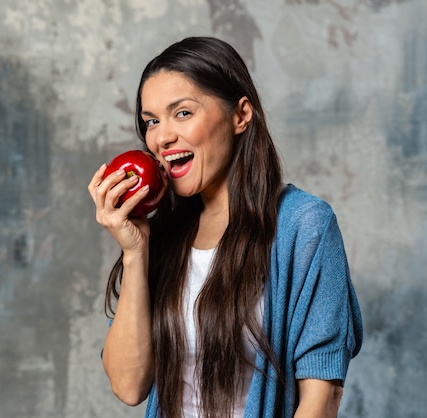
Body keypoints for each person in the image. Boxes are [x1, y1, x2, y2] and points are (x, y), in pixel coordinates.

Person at [88, 36, 362, 418]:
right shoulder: (164, 234)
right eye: (151, 121)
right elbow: (129, 385)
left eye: (182, 113)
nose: (162, 137)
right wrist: (135, 254)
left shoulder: (304, 225)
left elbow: (321, 398)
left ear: (241, 115)